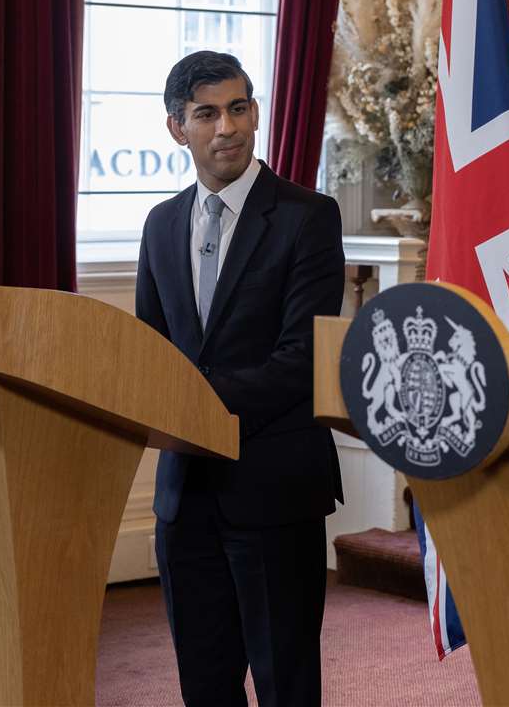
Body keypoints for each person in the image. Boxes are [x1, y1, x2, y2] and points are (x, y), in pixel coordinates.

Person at [135, 51, 344, 707]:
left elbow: (301, 358)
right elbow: (150, 351)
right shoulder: (160, 224)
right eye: (206, 113)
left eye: (238, 107)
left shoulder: (307, 216)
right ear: (178, 129)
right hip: (184, 497)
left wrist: (190, 406)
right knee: (204, 681)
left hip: (274, 488)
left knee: (286, 682)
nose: (226, 127)